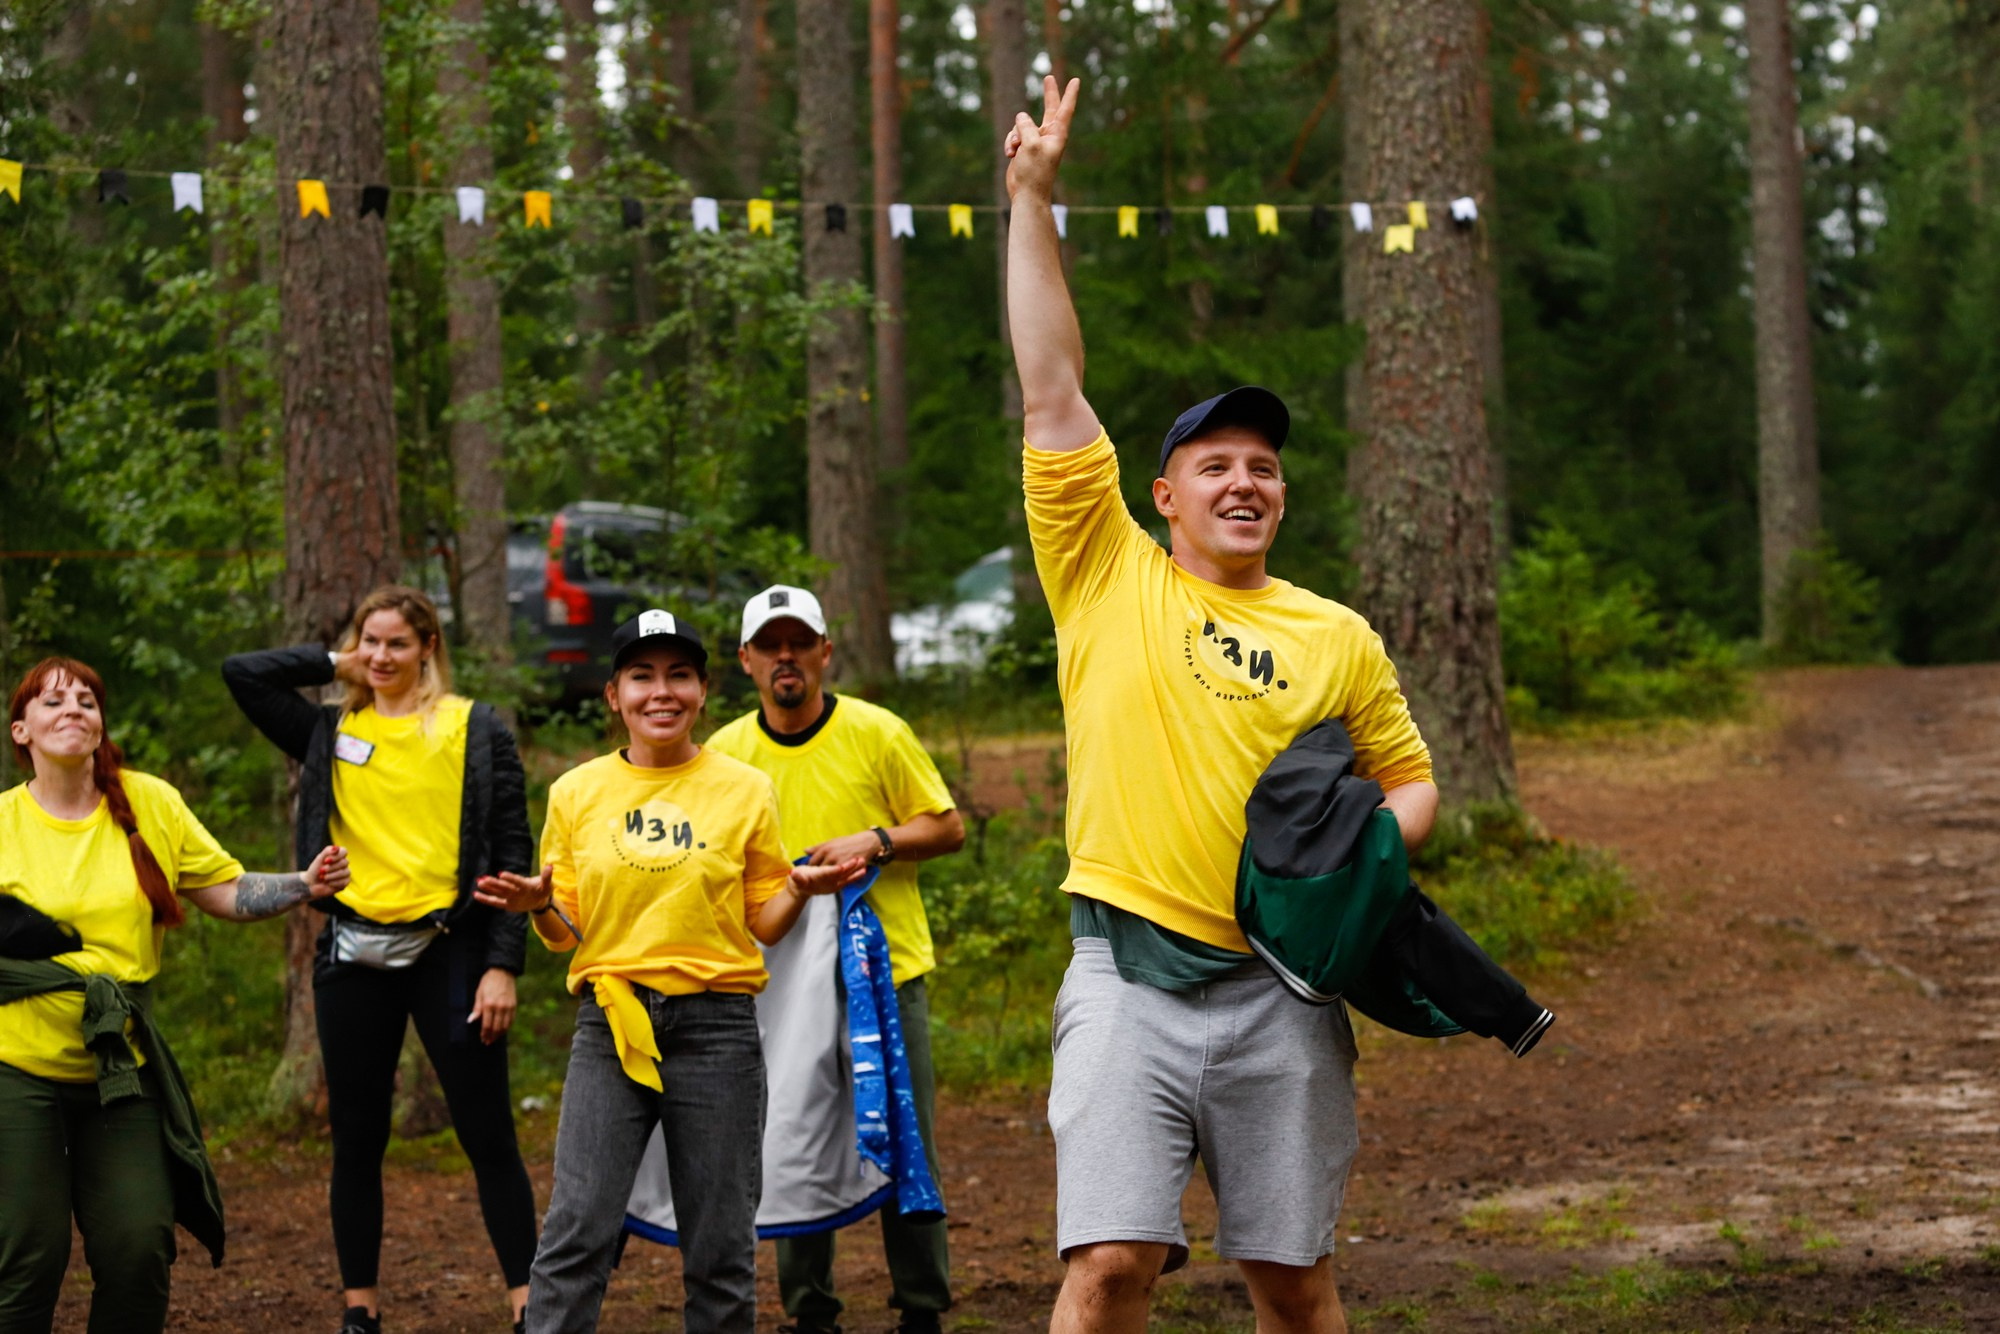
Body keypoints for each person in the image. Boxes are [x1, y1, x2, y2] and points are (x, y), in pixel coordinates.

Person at [1002, 78, 1442, 1334]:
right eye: (1215, 465)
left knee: (1293, 1281)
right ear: (1162, 494)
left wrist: (1361, 854)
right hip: (1123, 974)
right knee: (1107, 1266)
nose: (1242, 480)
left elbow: (1410, 781)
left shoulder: (1334, 635)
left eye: (1262, 467)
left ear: (1280, 500)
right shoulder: (1101, 569)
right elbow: (1049, 382)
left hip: (1282, 990)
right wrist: (1031, 199)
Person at [474, 609, 869, 1334]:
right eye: (643, 676)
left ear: (702, 691)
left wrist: (799, 891)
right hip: (612, 1027)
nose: (663, 692)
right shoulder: (576, 792)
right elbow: (567, 933)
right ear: (614, 695)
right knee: (576, 1233)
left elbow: (761, 921)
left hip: (717, 1033)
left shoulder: (744, 788)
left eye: (679, 676)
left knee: (720, 1248)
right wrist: (537, 906)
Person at [0, 656, 351, 1334]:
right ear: (22, 731)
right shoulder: (5, 823)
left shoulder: (150, 804)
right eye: (52, 703)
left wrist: (302, 885)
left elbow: (222, 888)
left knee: (138, 1250)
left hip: (120, 1072)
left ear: (101, 727)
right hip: (17, 1069)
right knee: (27, 1258)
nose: (72, 710)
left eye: (86, 702)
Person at [221, 586, 539, 1334]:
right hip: (353, 954)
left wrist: (504, 965)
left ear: (429, 646)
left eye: (399, 643)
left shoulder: (473, 727)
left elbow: (513, 850)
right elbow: (243, 672)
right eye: (371, 641)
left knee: (487, 1133)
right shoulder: (328, 728)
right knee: (358, 1140)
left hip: (452, 952)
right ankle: (360, 1308)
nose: (382, 656)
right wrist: (337, 661)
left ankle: (530, 1304)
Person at [707, 585, 966, 1334]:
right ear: (747, 661)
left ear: (825, 652)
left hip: (887, 974)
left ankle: (922, 1307)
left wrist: (876, 840)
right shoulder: (726, 753)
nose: (785, 658)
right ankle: (808, 1310)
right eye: (770, 646)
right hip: (781, 980)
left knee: (905, 1134)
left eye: (799, 642)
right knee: (796, 1133)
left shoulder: (878, 733)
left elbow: (945, 828)